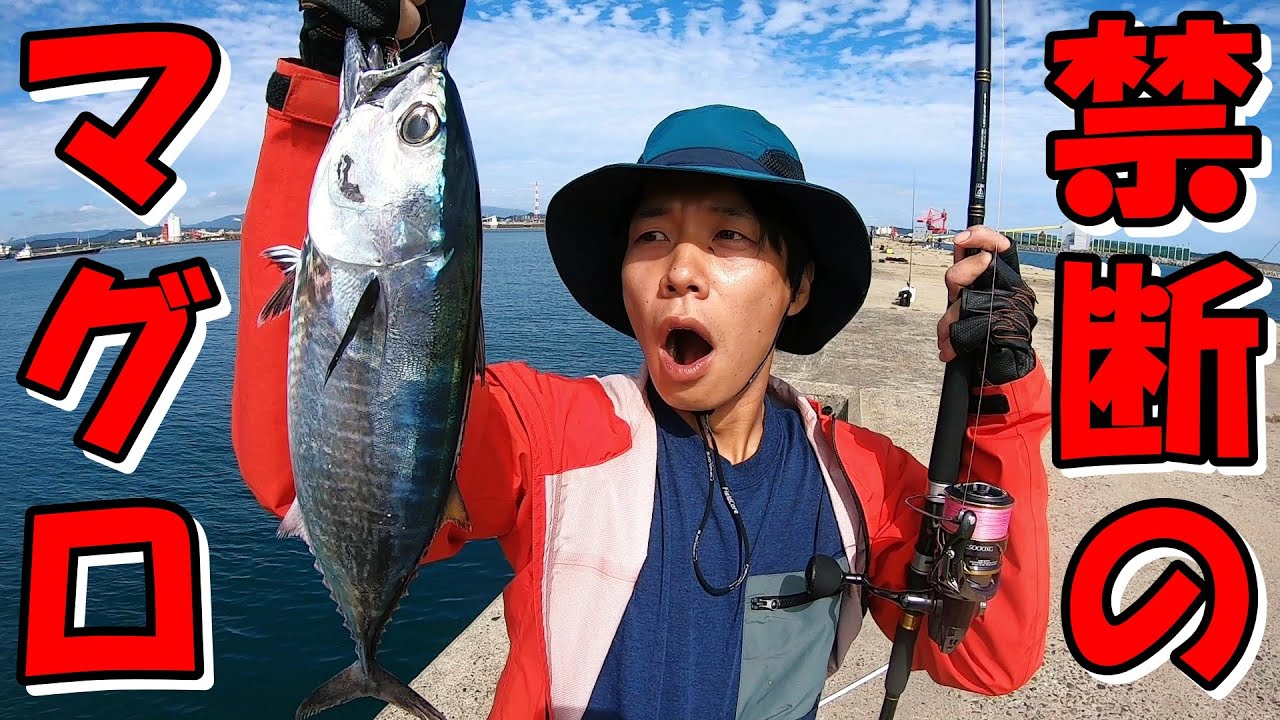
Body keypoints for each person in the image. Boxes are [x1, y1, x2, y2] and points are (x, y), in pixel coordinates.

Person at [231, 2, 1051, 718]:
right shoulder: (549, 433)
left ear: (798, 286)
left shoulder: (860, 479)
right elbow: (303, 472)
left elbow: (984, 656)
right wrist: (330, 73)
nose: (679, 270)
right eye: (652, 235)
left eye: (728, 235)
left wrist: (1000, 398)